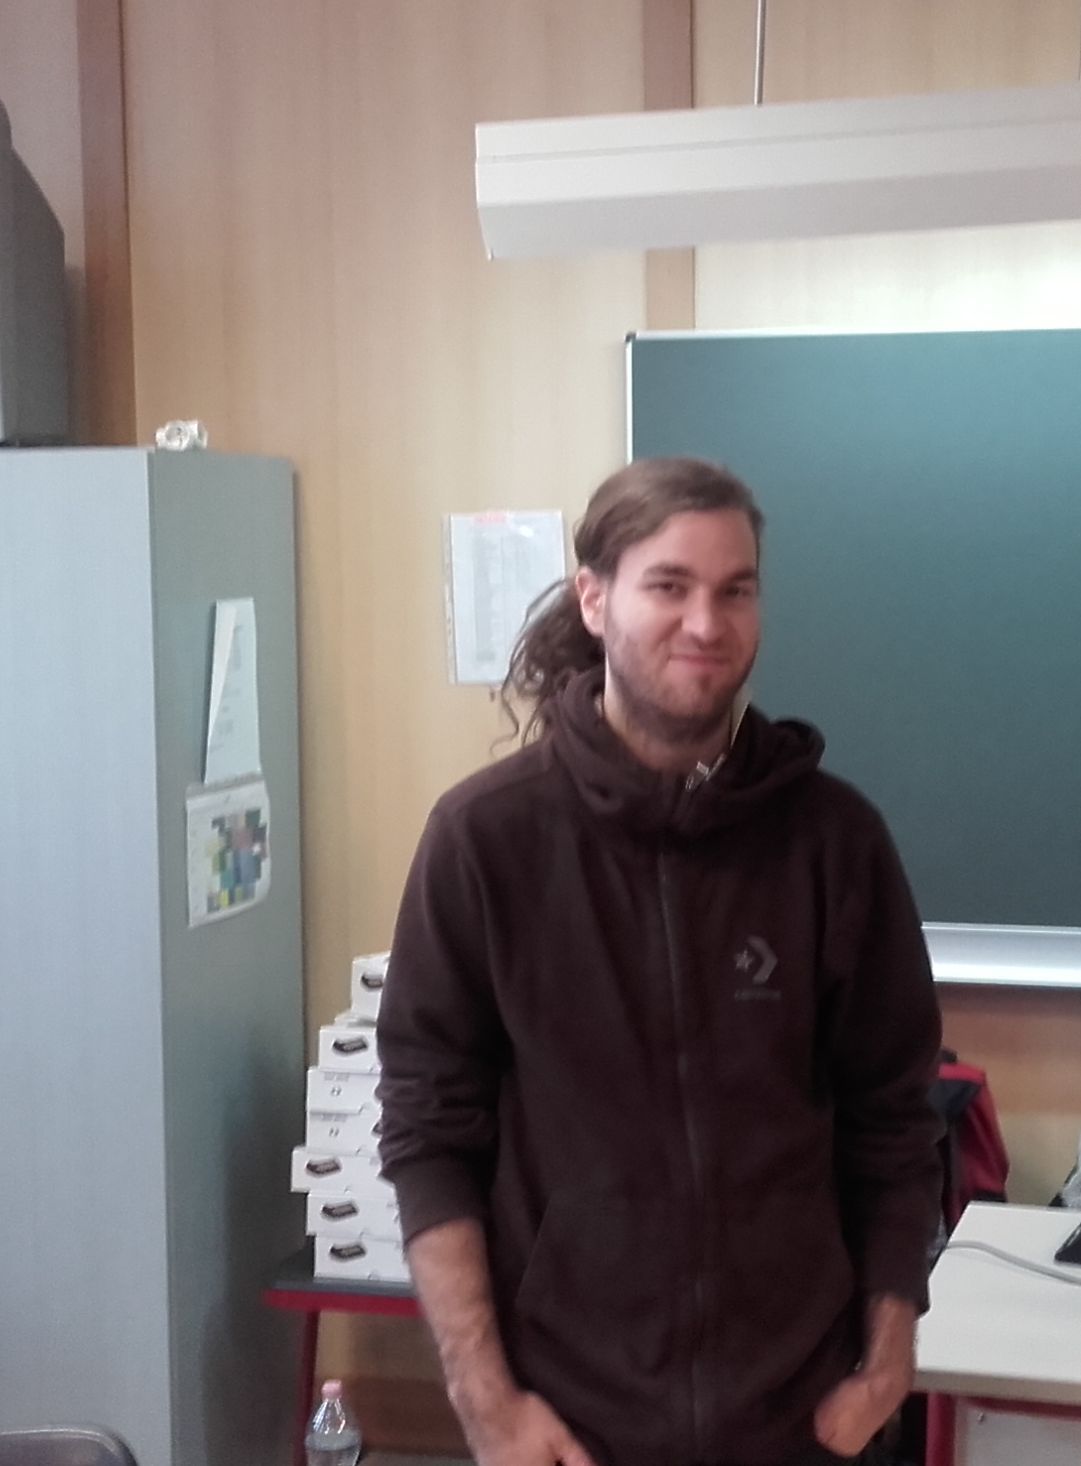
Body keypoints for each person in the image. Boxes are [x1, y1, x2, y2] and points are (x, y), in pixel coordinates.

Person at [375, 457, 946, 1466]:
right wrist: (484, 1401)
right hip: (570, 1428)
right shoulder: (486, 840)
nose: (706, 623)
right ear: (594, 600)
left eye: (736, 590)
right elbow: (428, 1132)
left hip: (803, 1425)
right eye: (669, 586)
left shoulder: (835, 842)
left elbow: (893, 1121)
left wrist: (886, 1367)